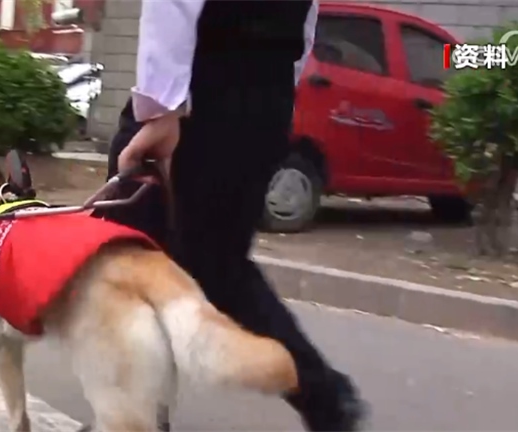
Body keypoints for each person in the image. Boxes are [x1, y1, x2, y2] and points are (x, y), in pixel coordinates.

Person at [93, 1, 366, 430]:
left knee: (135, 256)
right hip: (264, 97)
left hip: (203, 88)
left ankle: (321, 393)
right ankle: (323, 396)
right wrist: (273, 92)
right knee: (217, 265)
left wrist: (162, 107)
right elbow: (307, 20)